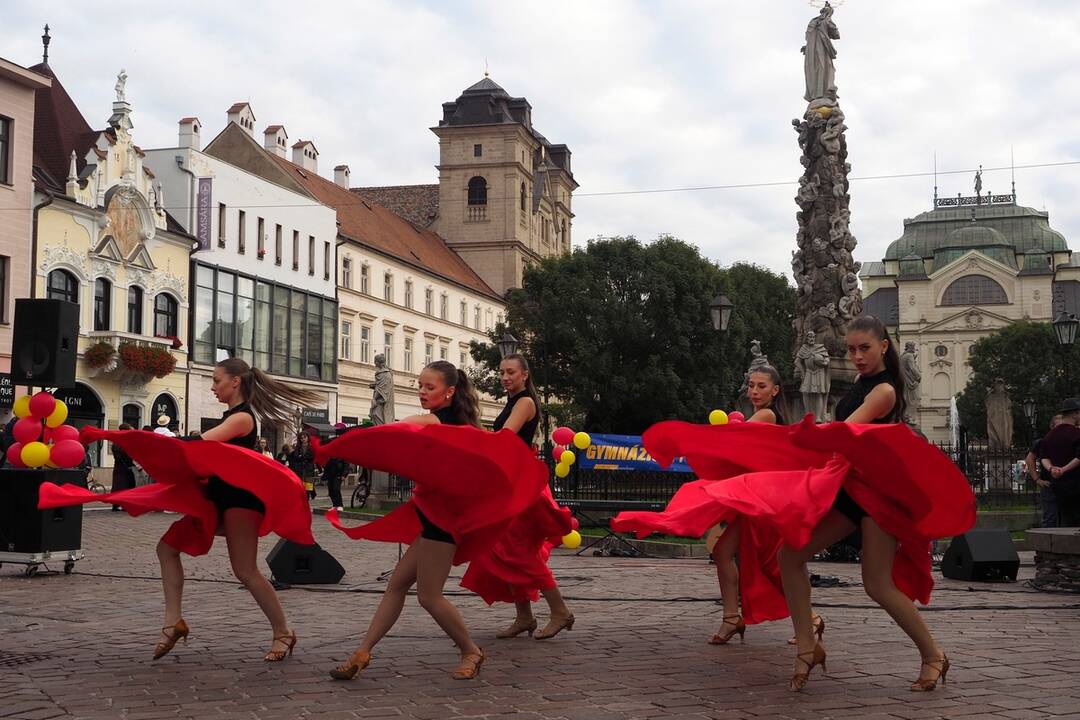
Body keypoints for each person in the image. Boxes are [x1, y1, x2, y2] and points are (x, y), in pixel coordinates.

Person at [778, 315, 948, 692]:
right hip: (851, 489)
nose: (856, 356)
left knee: (877, 584)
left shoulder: (884, 391)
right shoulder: (860, 382)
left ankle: (933, 655)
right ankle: (807, 646)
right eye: (851, 349)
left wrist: (802, 435)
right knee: (789, 556)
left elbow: (845, 433)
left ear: (884, 346)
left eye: (864, 349)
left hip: (878, 497)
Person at [330, 361, 486, 681]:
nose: (422, 392)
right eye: (420, 386)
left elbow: (402, 426)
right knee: (397, 585)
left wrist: (356, 439)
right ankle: (363, 652)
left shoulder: (437, 420)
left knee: (429, 596)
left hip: (442, 522)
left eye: (430, 387)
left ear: (450, 391)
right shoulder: (457, 424)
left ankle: (471, 650)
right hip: (434, 519)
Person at [706, 365, 826, 646]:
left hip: (765, 503)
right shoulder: (762, 414)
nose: (754, 391)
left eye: (761, 386)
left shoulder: (767, 415)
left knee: (774, 565)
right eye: (751, 385)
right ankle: (731, 617)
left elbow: (735, 441)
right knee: (724, 552)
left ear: (775, 390)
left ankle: (810, 619)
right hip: (754, 499)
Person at [480, 354, 576, 641]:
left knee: (517, 549)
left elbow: (505, 437)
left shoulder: (524, 402)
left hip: (519, 483)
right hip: (510, 481)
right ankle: (524, 616)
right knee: (506, 547)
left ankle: (560, 611)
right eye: (502, 372)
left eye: (510, 372)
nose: (504, 377)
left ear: (525, 375)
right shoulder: (512, 401)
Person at [1039, 399, 1080, 527]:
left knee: (1063, 519)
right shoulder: (1077, 434)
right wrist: (1064, 469)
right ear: (1075, 414)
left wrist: (1052, 469)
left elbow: (1043, 457)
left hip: (1057, 484)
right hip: (1076, 483)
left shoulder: (1050, 435)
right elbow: (1079, 458)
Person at [1028, 414, 1063, 528]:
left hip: (1068, 483)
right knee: (1050, 517)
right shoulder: (1043, 442)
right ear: (1052, 427)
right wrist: (1037, 479)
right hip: (1049, 483)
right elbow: (1030, 459)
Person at [110, 423, 137, 511]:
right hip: (126, 467)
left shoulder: (116, 442)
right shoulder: (125, 442)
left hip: (118, 467)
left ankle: (116, 504)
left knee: (118, 486)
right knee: (126, 486)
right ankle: (124, 504)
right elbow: (127, 455)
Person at [289, 434, 315, 499]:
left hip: (309, 469)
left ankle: (307, 499)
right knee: (301, 486)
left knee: (308, 487)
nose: (303, 439)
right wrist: (303, 457)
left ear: (307, 438)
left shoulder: (311, 447)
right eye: (301, 438)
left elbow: (312, 457)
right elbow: (296, 457)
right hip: (300, 469)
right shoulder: (298, 447)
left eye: (304, 437)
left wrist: (302, 456)